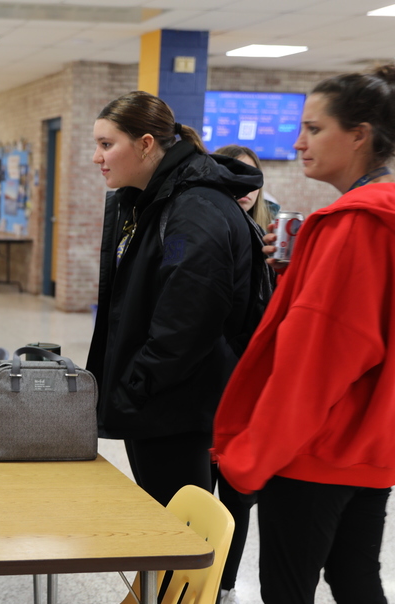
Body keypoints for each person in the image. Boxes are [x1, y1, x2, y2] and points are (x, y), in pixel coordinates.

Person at [213, 64, 395, 604]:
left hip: (315, 451)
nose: (297, 142)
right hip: (371, 443)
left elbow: (316, 362)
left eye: (312, 128)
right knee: (359, 583)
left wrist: (253, 454)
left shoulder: (352, 228)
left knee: (289, 601)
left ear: (359, 135)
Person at [86, 91, 263, 509]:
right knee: (168, 530)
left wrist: (135, 389)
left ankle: (207, 580)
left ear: (147, 144)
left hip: (176, 408)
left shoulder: (193, 209)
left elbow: (188, 322)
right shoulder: (153, 201)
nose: (97, 157)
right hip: (161, 404)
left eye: (107, 144)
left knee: (178, 538)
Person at [205, 144, 271, 604]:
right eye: (233, 179)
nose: (244, 191)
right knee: (196, 491)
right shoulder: (205, 227)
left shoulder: (275, 239)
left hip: (253, 394)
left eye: (251, 181)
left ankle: (227, 590)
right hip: (207, 390)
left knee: (237, 498)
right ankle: (188, 590)